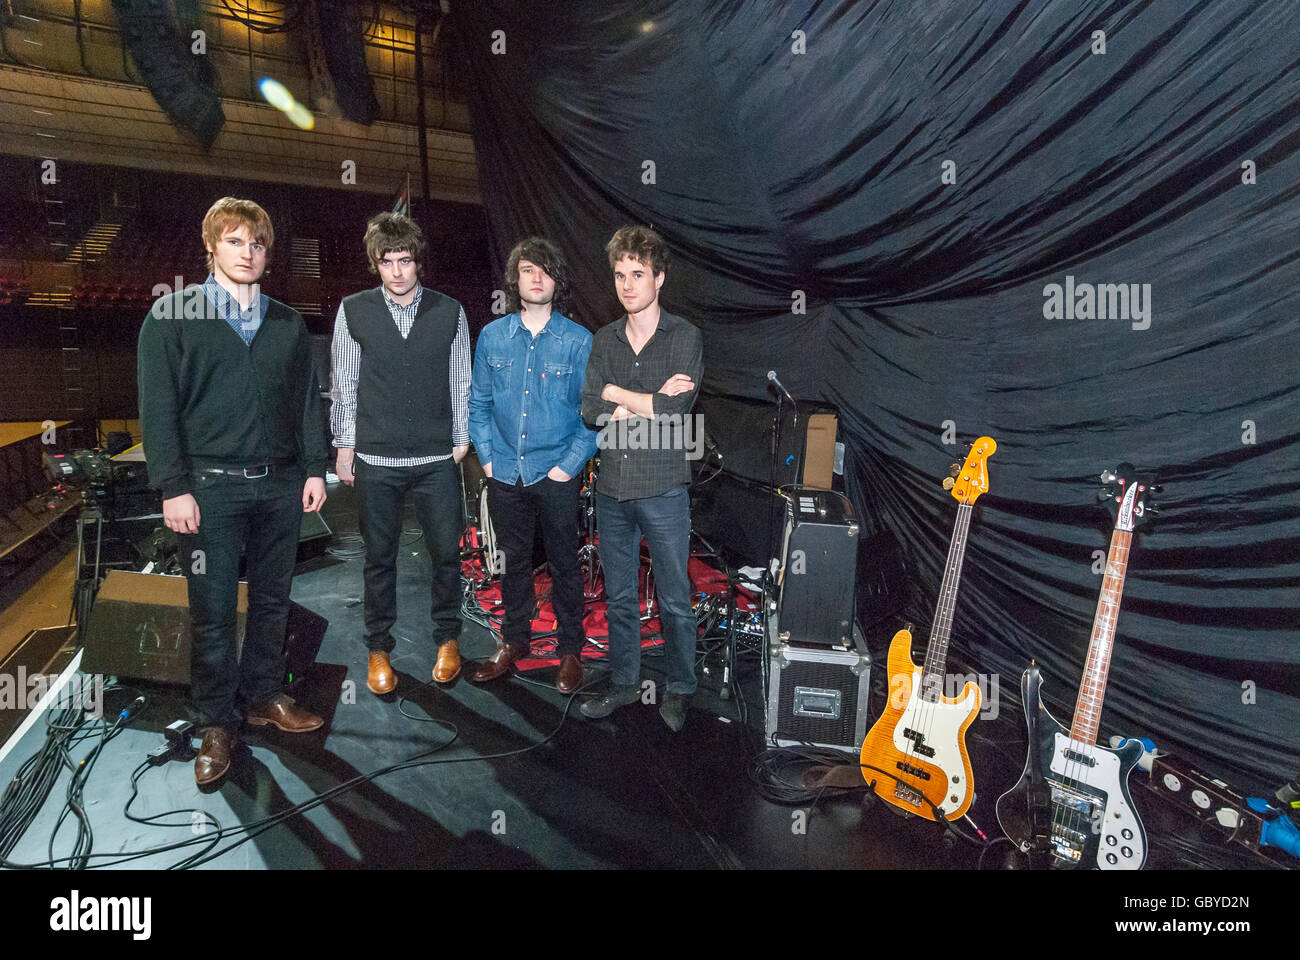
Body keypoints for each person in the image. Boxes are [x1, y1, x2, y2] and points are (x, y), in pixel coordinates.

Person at [138, 196, 327, 786]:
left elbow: (306, 404)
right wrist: (172, 486)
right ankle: (216, 724)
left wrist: (315, 468)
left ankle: (265, 696)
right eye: (236, 241)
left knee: (272, 603)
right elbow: (158, 408)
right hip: (208, 492)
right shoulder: (171, 315)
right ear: (212, 246)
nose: (248, 253)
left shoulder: (287, 323)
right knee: (214, 613)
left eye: (258, 243)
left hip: (278, 487)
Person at [330, 212, 470, 695]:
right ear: (376, 263)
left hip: (436, 460)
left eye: (404, 260)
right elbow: (344, 385)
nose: (396, 271)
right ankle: (378, 648)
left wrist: (461, 439)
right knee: (378, 559)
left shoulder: (450, 310)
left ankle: (448, 639)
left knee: (446, 555)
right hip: (376, 458)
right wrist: (344, 445)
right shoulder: (352, 310)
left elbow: (461, 380)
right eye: (386, 261)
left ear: (418, 262)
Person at [579, 225, 703, 731]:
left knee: (675, 597)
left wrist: (617, 395)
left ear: (659, 278)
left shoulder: (685, 336)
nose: (627, 284)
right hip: (611, 491)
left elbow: (677, 413)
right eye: (619, 275)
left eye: (637, 274)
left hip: (665, 488)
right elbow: (589, 410)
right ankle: (625, 684)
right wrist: (645, 402)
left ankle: (680, 688)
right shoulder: (604, 339)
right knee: (620, 598)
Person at [468, 238, 598, 692]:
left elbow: (595, 416)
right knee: (512, 563)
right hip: (505, 471)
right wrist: (487, 458)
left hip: (556, 474)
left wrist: (567, 467)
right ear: (515, 279)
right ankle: (514, 642)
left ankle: (569, 652)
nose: (536, 277)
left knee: (565, 564)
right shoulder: (492, 336)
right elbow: (478, 403)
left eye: (544, 270)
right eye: (527, 270)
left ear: (556, 280)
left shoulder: (581, 342)